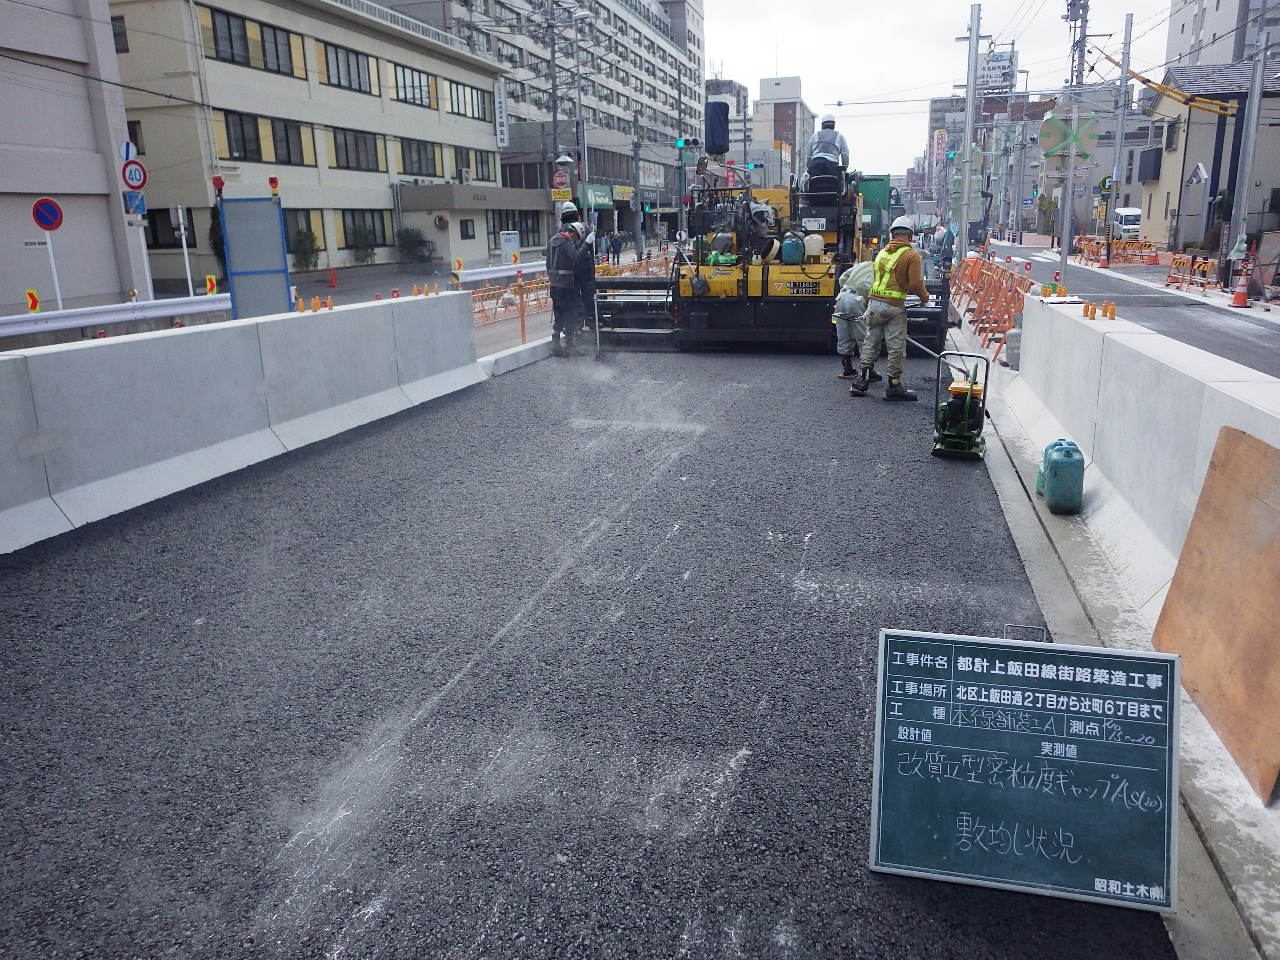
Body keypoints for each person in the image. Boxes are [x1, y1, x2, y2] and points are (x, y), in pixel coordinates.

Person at [850, 216, 930, 401]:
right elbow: (917, 284)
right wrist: (925, 298)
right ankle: (894, 387)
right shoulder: (911, 255)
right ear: (910, 235)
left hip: (873, 305)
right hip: (893, 308)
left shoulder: (883, 253)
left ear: (892, 233)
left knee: (871, 342)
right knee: (896, 346)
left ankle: (862, 381)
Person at [547, 218, 585, 356]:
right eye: (577, 238)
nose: (576, 241)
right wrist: (586, 245)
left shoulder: (551, 242)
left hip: (554, 284)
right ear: (575, 234)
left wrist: (552, 279)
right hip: (566, 285)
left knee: (558, 313)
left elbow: (547, 264)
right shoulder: (568, 243)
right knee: (570, 313)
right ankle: (570, 346)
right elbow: (576, 259)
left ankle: (556, 346)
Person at [804, 114, 850, 182]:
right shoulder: (839, 136)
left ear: (822, 125)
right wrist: (844, 169)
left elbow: (808, 155)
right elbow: (845, 155)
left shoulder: (815, 136)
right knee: (836, 185)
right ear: (834, 125)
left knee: (812, 184)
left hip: (816, 164)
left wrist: (810, 168)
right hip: (832, 167)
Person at [576, 226, 598, 334]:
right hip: (585, 272)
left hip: (570, 275)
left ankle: (579, 323)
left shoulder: (561, 235)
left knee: (575, 298)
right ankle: (589, 320)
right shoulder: (587, 232)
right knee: (588, 296)